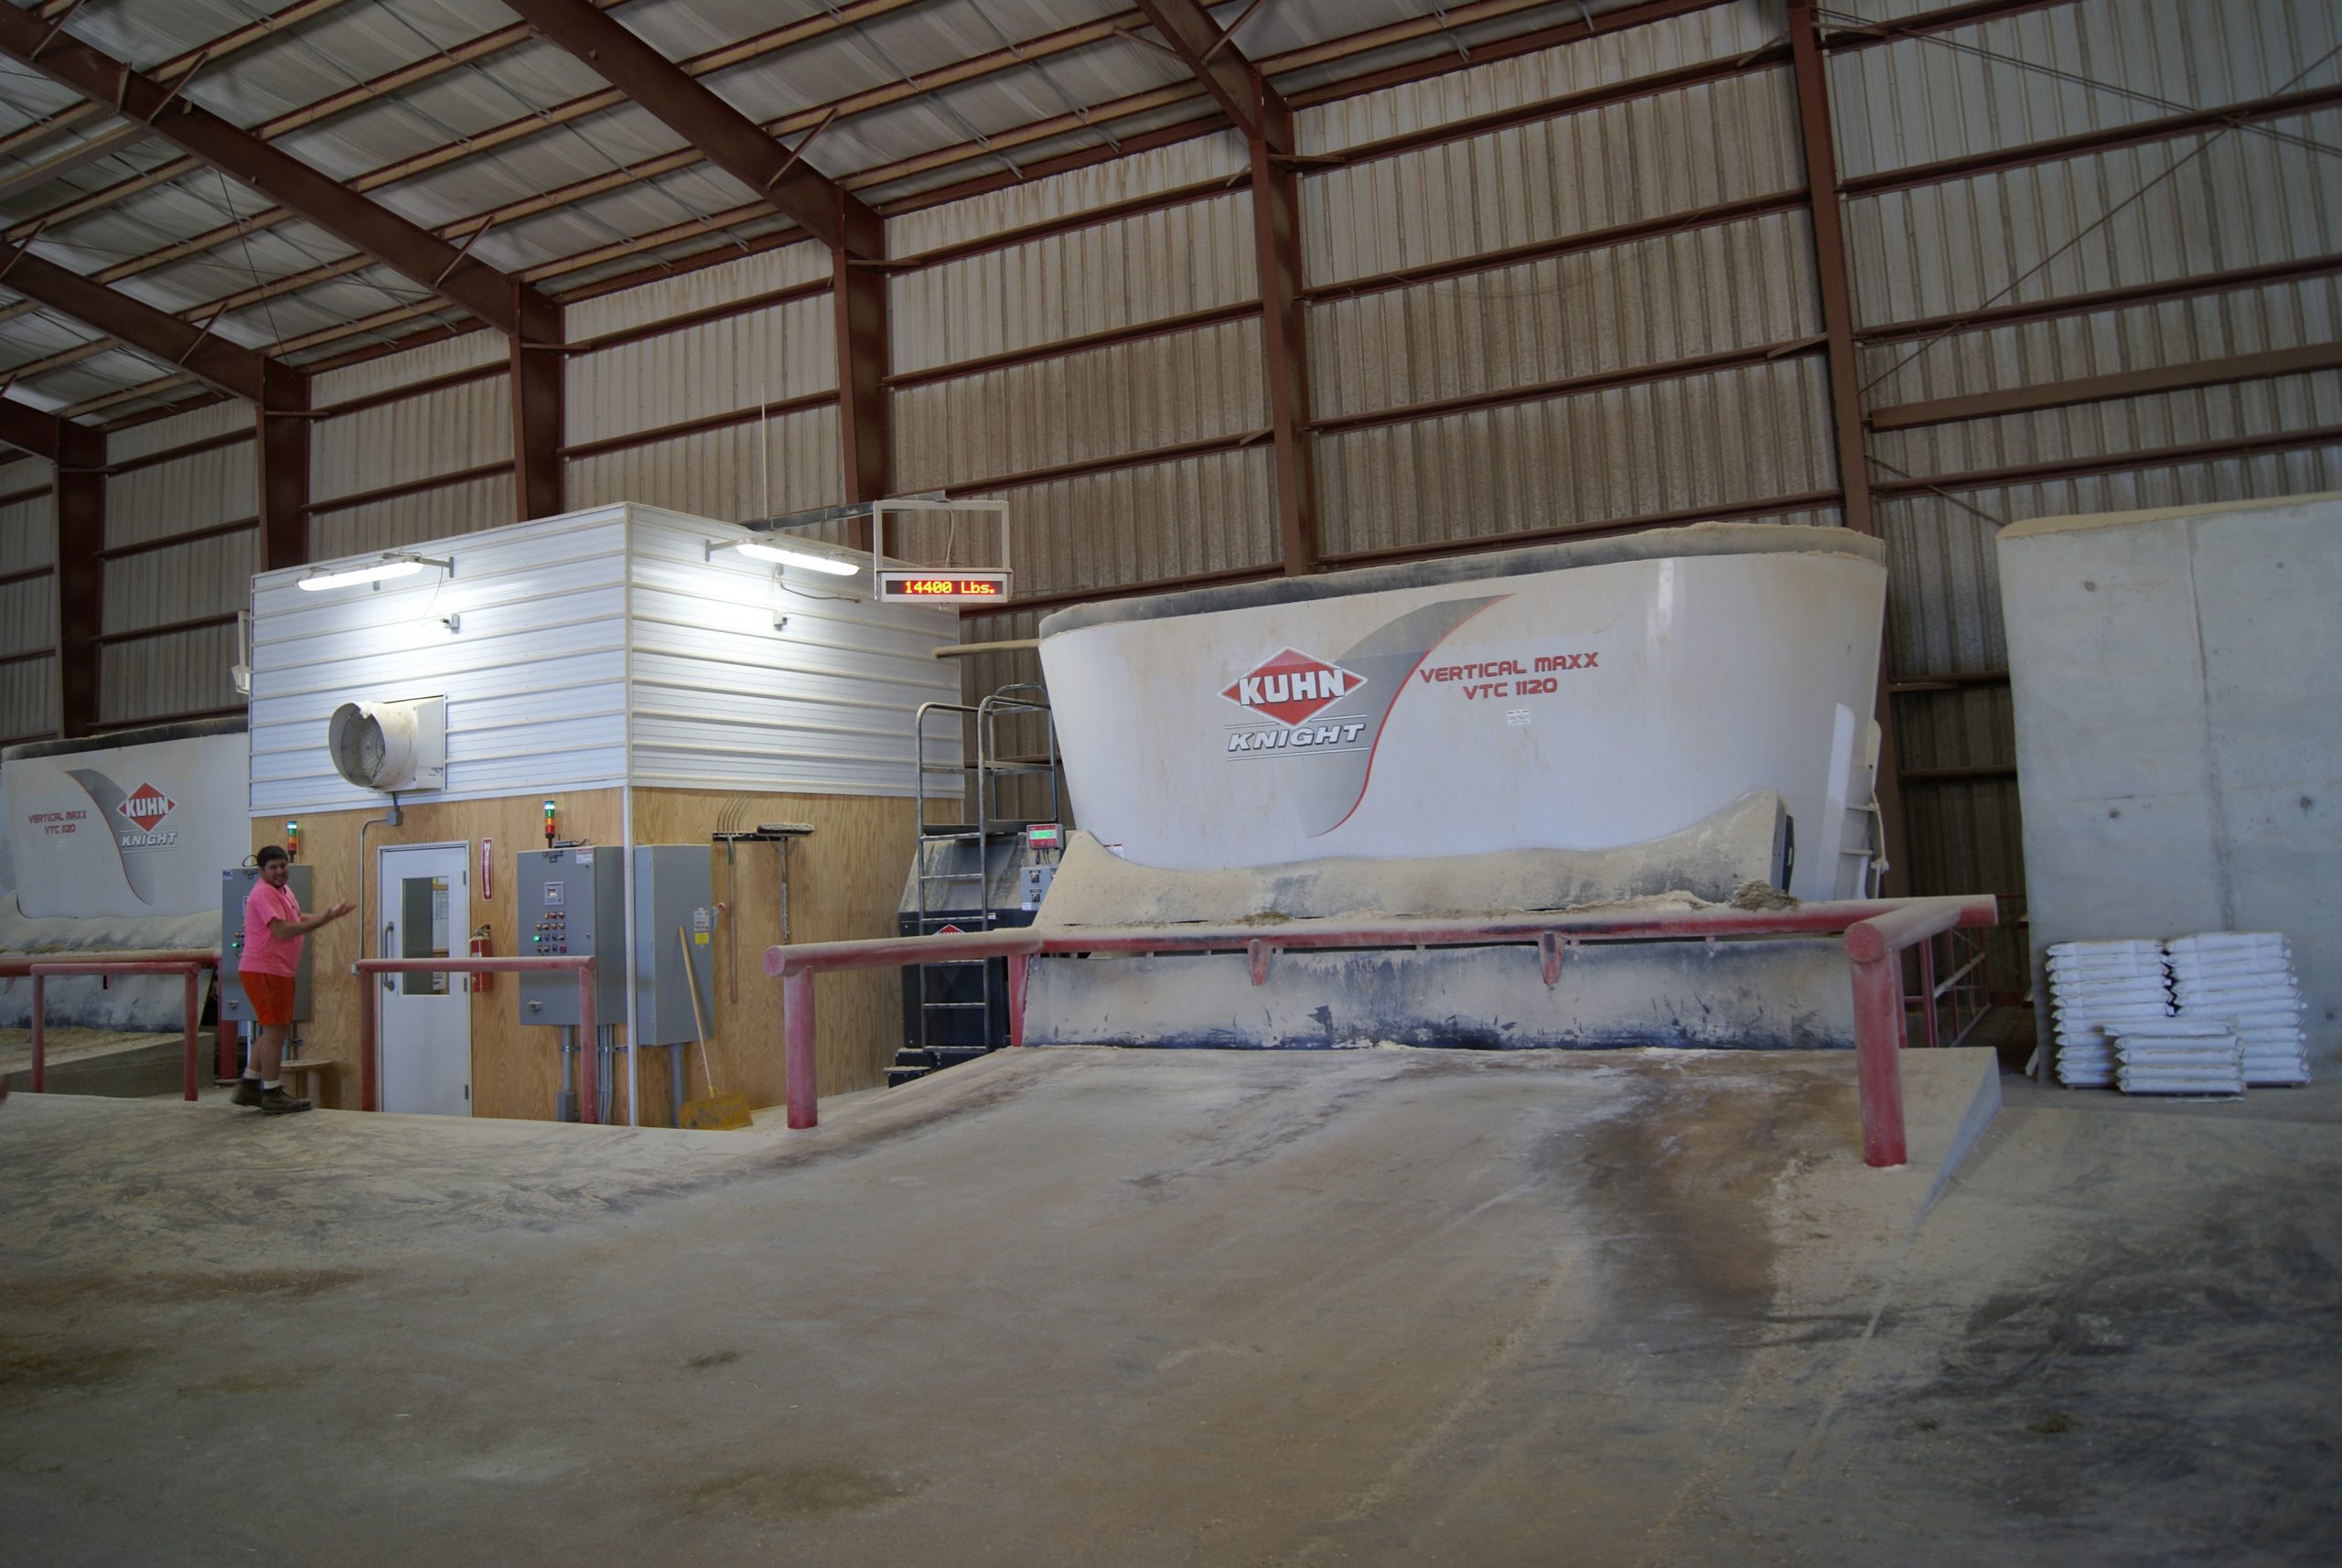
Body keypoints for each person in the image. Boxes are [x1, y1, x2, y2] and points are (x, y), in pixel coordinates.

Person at [233, 844, 353, 1115]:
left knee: (272, 1029)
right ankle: (272, 1092)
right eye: (273, 867)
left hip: (277, 970)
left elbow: (296, 917)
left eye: (282, 866)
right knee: (276, 1031)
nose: (279, 872)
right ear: (261, 871)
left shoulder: (282, 891)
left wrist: (328, 915)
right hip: (265, 969)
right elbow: (283, 930)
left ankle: (250, 1084)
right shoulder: (263, 893)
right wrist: (323, 921)